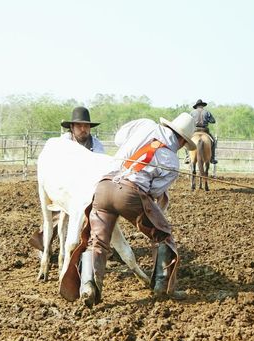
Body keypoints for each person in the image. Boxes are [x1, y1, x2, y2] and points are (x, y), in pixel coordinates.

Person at [63, 112, 196, 307]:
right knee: (164, 236)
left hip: (104, 185)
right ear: (183, 141)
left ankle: (88, 285)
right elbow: (154, 191)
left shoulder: (144, 125)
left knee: (97, 241)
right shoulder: (172, 161)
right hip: (130, 193)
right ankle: (163, 286)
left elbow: (119, 139)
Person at [29, 106, 104, 251]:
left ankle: (91, 247)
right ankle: (43, 245)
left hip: (87, 187)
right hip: (64, 185)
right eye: (79, 126)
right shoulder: (62, 143)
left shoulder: (96, 145)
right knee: (55, 217)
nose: (83, 129)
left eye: (86, 126)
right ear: (72, 127)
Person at [185, 99, 217, 164]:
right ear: (202, 106)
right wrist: (207, 120)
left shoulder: (192, 112)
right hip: (205, 131)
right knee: (213, 141)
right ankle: (212, 158)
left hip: (195, 130)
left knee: (186, 141)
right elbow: (213, 121)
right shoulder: (207, 112)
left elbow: (188, 121)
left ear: (196, 106)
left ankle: (188, 157)